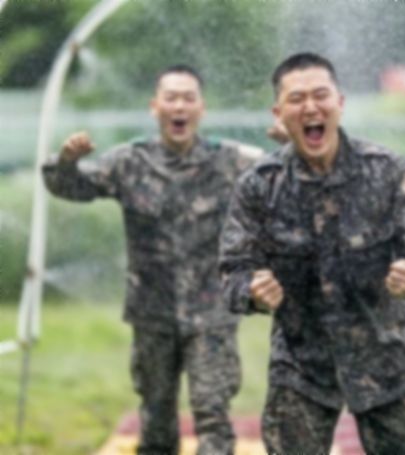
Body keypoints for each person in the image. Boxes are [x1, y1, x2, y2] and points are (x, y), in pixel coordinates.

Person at [219, 52, 405, 454]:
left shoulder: (387, 171)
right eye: (296, 99)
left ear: (340, 102)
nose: (311, 107)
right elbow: (232, 271)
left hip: (385, 362)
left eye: (321, 95)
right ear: (279, 112)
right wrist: (251, 291)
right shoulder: (260, 186)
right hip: (301, 367)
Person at [42, 64, 263, 455]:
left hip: (211, 315)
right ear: (154, 106)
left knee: (213, 414)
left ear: (202, 109)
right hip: (152, 312)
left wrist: (288, 146)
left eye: (188, 98)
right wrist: (65, 162)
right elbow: (69, 187)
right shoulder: (129, 161)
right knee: (157, 416)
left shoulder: (230, 160)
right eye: (171, 97)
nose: (179, 106)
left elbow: (283, 180)